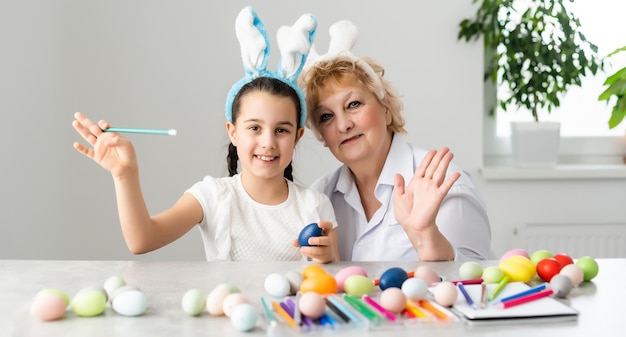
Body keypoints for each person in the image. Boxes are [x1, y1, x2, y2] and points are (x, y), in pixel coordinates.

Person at [71, 7, 338, 263]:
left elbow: (332, 276)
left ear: (298, 135)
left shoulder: (315, 206)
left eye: (281, 130)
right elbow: (142, 240)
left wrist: (328, 259)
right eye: (254, 128)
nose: (268, 142)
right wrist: (124, 174)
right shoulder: (213, 196)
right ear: (232, 132)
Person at [299, 20, 495, 262]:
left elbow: (479, 280)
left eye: (353, 104)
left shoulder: (443, 184)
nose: (343, 125)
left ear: (386, 108)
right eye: (326, 117)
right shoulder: (320, 197)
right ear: (321, 135)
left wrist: (426, 235)